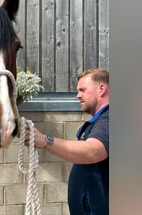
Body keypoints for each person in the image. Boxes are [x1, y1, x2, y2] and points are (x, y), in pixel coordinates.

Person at [24, 69, 109, 215]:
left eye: (82, 90)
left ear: (101, 89)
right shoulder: (101, 120)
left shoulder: (109, 120)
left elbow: (92, 151)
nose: (78, 96)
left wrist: (46, 141)